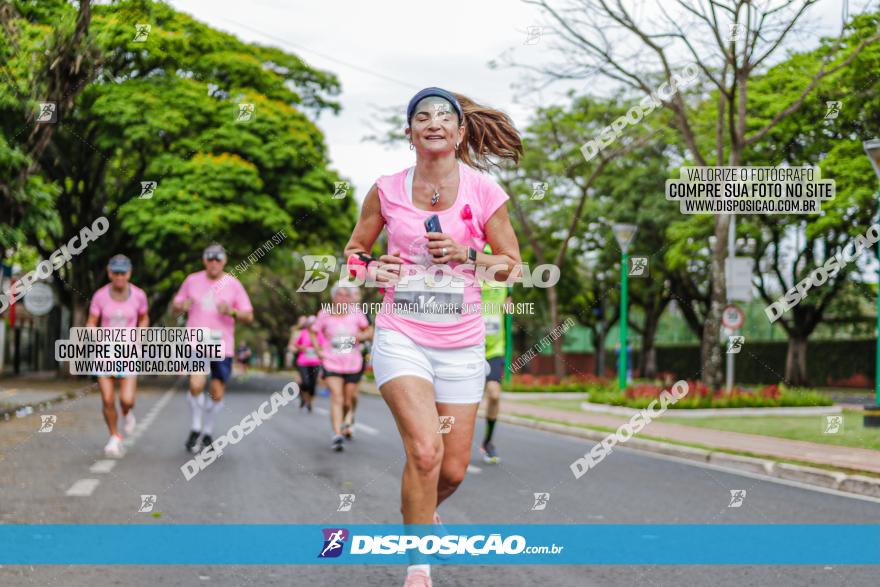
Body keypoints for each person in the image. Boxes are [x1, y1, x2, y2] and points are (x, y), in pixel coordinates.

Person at [343, 87, 522, 586]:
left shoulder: (484, 192)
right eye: (422, 117)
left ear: (461, 132)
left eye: (445, 117)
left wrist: (468, 256)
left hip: (463, 345)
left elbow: (512, 267)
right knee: (425, 452)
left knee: (452, 471)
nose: (434, 122)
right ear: (409, 132)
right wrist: (374, 266)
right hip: (403, 337)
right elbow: (355, 255)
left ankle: (417, 515)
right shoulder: (385, 190)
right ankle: (417, 566)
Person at [172, 244, 254, 454]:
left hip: (222, 345)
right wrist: (182, 306)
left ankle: (207, 431)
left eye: (218, 258)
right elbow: (176, 306)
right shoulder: (192, 280)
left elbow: (249, 315)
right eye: (210, 258)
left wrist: (232, 312)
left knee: (216, 393)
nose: (214, 262)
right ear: (204, 260)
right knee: (196, 384)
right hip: (196, 342)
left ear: (224, 260)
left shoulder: (233, 284)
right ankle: (196, 426)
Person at [86, 255, 149, 457]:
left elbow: (144, 317)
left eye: (123, 273)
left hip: (129, 352)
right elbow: (91, 322)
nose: (120, 276)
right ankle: (114, 436)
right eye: (116, 272)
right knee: (107, 399)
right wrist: (95, 337)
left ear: (129, 273)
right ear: (109, 273)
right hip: (105, 352)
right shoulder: (100, 296)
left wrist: (140, 335)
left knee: (127, 399)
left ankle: (127, 412)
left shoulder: (139, 295)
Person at [313, 285, 371, 451]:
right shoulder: (324, 314)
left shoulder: (356, 314)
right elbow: (314, 332)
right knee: (337, 397)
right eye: (339, 294)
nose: (343, 298)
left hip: (353, 363)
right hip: (331, 361)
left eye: (346, 295)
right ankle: (337, 434)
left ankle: (347, 420)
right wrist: (318, 349)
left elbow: (369, 331)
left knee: (347, 400)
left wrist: (359, 336)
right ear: (333, 297)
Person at [480, 243, 509, 464]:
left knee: (494, 394)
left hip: (494, 348)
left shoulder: (504, 283)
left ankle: (488, 441)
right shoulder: (469, 282)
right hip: (469, 346)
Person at [290, 315, 324, 412]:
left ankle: (309, 402)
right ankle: (304, 398)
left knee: (313, 385)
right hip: (303, 362)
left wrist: (316, 349)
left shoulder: (319, 334)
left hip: (316, 362)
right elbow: (295, 344)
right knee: (305, 382)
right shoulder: (302, 333)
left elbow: (324, 346)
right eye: (311, 324)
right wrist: (302, 347)